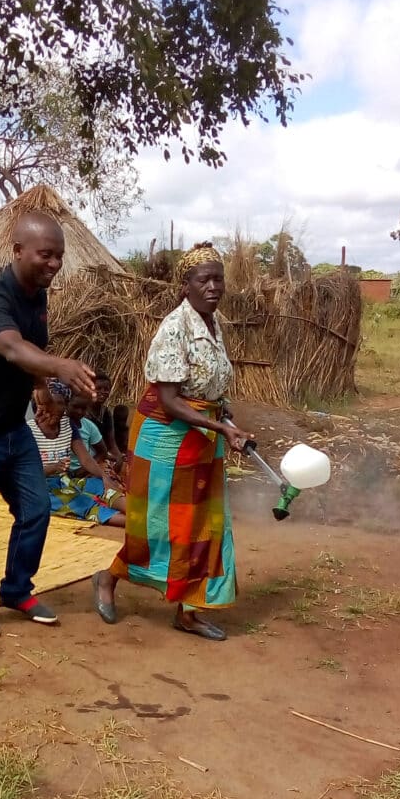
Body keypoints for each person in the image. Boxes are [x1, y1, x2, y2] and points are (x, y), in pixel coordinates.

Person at [0, 211, 97, 639]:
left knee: (37, 510)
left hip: (11, 427)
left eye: (59, 256)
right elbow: (11, 347)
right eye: (46, 254)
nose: (54, 264)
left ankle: (15, 590)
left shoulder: (38, 297)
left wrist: (41, 385)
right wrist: (59, 367)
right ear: (18, 251)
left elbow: (30, 350)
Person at [92, 243, 254, 642]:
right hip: (166, 437)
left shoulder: (214, 326)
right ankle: (109, 577)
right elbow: (168, 398)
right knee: (158, 526)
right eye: (204, 280)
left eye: (219, 278)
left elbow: (212, 390)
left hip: (202, 434)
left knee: (203, 523)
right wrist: (220, 429)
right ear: (186, 286)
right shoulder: (174, 328)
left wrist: (226, 419)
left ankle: (189, 610)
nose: (214, 286)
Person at [29, 386, 126, 527]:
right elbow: (26, 474)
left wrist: (105, 478)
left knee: (101, 486)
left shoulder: (67, 425)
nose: (56, 408)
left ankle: (140, 515)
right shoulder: (28, 431)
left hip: (65, 480)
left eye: (60, 403)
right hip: (39, 488)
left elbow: (85, 459)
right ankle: (137, 524)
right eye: (50, 403)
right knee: (81, 502)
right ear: (40, 405)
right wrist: (53, 468)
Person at [88, 372, 123, 471]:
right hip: (88, 457)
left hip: (103, 455)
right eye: (98, 388)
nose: (102, 392)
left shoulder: (106, 413)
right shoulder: (82, 413)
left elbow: (111, 443)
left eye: (106, 389)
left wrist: (118, 457)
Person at [67, 393, 108, 474]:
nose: (79, 412)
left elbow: (102, 452)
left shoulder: (89, 426)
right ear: (67, 403)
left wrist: (83, 470)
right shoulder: (57, 424)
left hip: (83, 471)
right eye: (75, 407)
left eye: (83, 408)